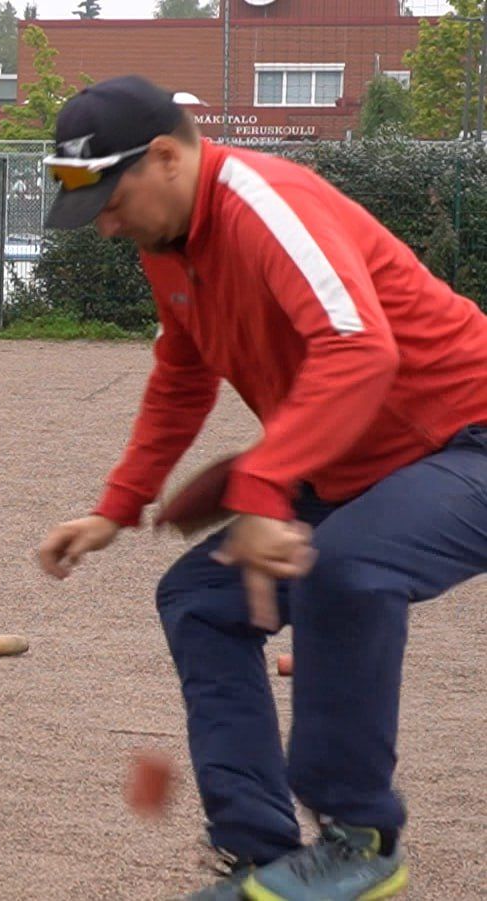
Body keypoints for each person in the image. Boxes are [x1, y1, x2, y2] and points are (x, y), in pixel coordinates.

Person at [37, 75, 487, 900]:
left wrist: (265, 483)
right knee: (200, 599)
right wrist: (117, 505)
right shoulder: (167, 248)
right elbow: (182, 376)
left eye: (111, 200)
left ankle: (360, 838)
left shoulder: (264, 205)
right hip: (356, 460)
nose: (105, 225)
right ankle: (259, 853)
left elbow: (359, 350)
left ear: (165, 157)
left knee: (342, 567)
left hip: (469, 437)